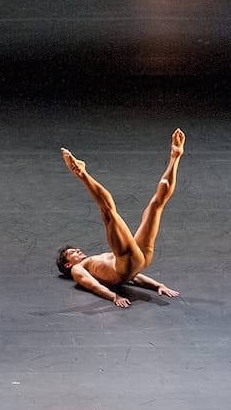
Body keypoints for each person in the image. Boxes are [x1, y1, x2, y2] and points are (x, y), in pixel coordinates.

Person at [56, 129, 185, 308]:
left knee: (156, 204)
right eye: (72, 253)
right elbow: (91, 285)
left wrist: (158, 286)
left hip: (137, 260)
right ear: (68, 265)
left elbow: (134, 276)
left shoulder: (93, 261)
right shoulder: (79, 269)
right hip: (128, 262)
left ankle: (175, 156)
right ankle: (81, 173)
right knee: (108, 212)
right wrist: (113, 296)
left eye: (75, 249)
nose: (78, 250)